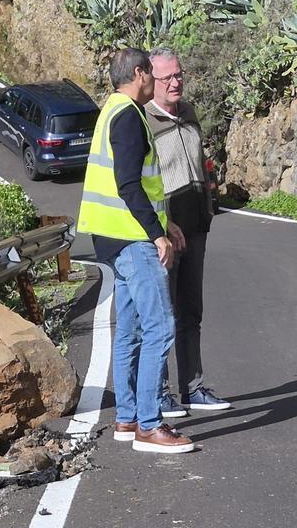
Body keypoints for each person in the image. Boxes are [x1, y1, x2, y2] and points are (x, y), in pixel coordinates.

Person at [77, 47, 195, 454]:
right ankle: (149, 424)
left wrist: (166, 224)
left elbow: (136, 186)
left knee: (128, 330)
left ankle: (127, 417)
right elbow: (128, 184)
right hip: (132, 240)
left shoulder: (111, 110)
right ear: (141, 73)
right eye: (152, 75)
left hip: (112, 239)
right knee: (160, 325)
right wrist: (156, 235)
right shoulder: (129, 116)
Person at [145, 47, 231, 416]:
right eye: (168, 78)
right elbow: (142, 183)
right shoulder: (144, 121)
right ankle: (160, 393)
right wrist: (164, 225)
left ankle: (193, 388)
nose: (176, 82)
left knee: (190, 311)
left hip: (196, 228)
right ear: (152, 81)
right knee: (162, 316)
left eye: (179, 75)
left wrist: (208, 210)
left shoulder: (190, 113)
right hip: (166, 233)